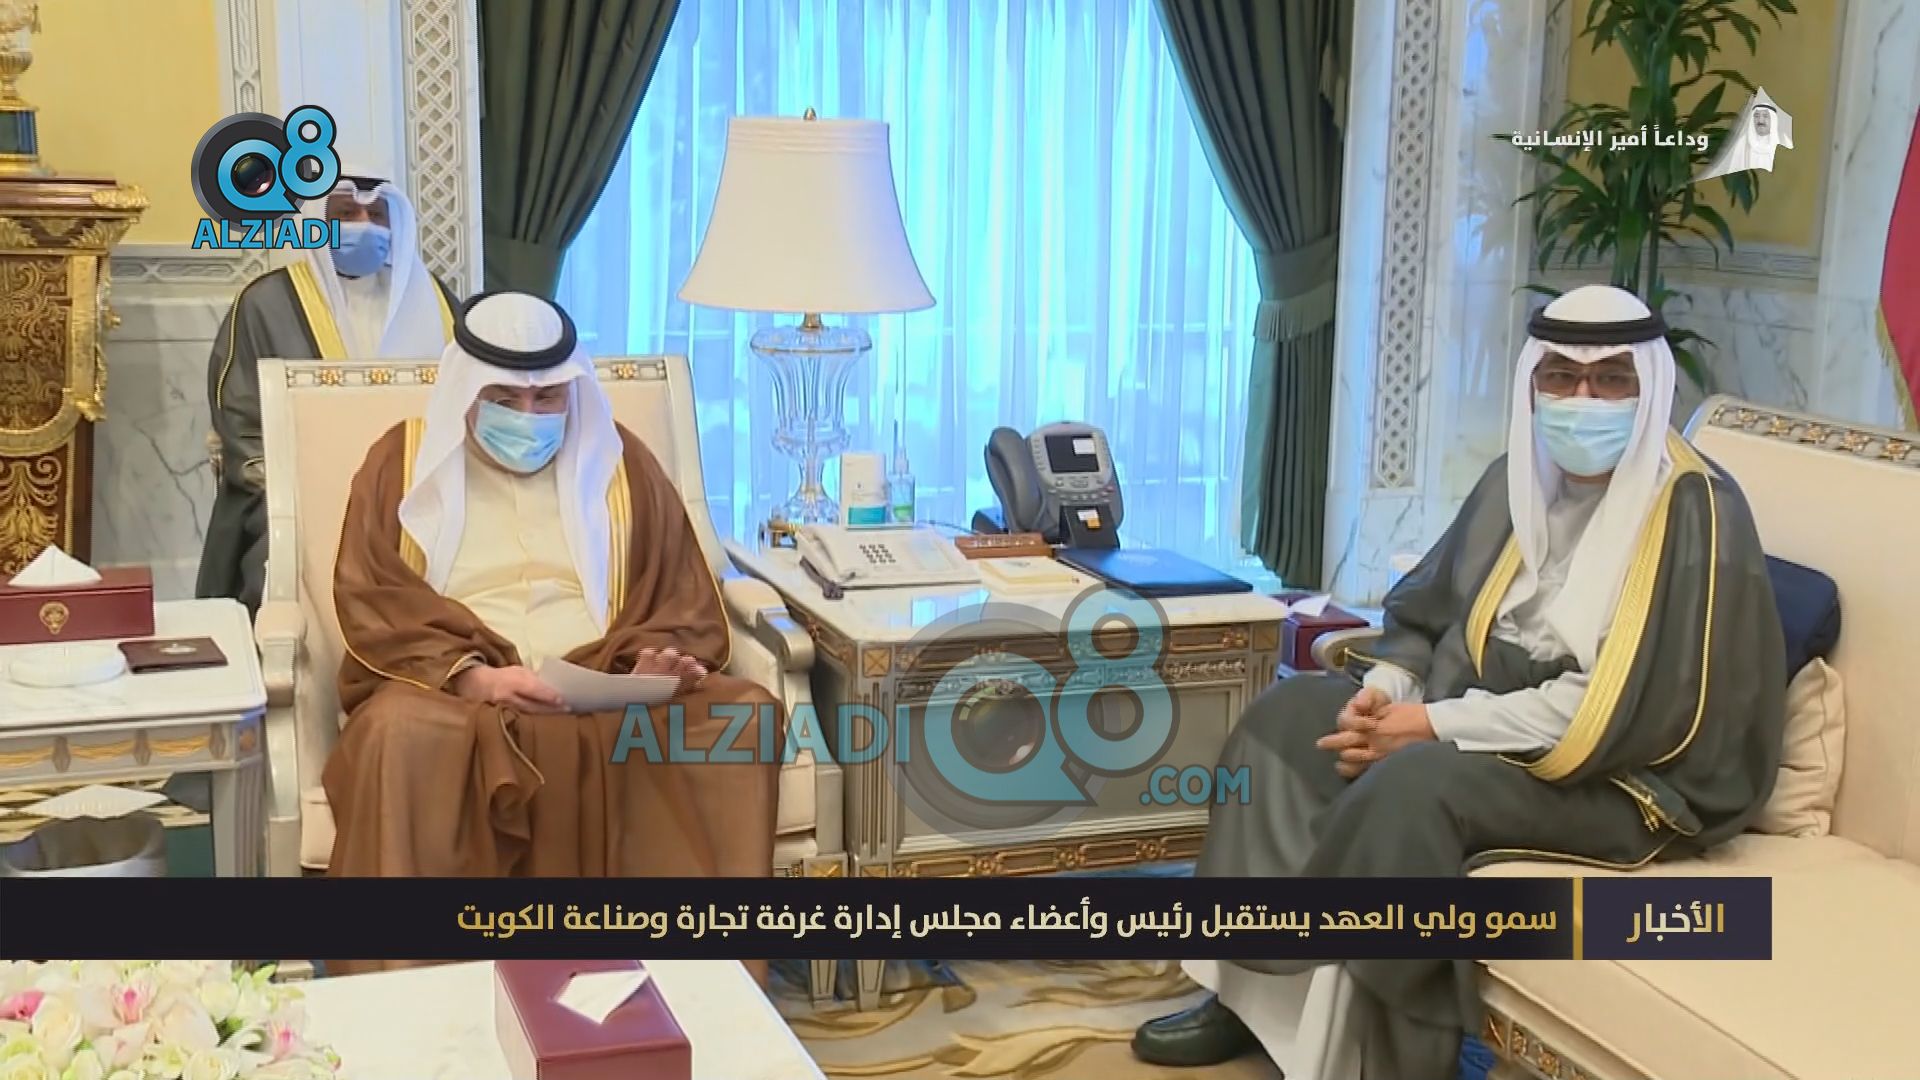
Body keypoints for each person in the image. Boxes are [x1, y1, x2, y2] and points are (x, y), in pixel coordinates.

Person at [1131, 284, 1786, 1079]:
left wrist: (1429, 729)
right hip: (1482, 711)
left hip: (1620, 770)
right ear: (1532, 384)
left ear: (1649, 388)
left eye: (1611, 379)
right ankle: (1242, 994)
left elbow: (1618, 705)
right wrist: (1386, 698)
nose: (1583, 400)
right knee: (1289, 716)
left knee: (1414, 789)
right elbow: (1430, 614)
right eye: (1562, 376)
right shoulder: (1518, 478)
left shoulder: (1696, 511)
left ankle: (1394, 1058)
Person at [323, 292, 783, 973]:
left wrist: (649, 666)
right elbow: (373, 595)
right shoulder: (402, 460)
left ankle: (699, 990)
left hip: (601, 683)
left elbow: (677, 588)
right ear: (466, 391)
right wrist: (474, 678)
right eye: (505, 399)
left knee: (744, 717)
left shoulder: (621, 464)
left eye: (548, 399)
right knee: (397, 735)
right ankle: (425, 1000)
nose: (530, 416)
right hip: (456, 693)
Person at [197, 173, 458, 612]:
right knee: (284, 556)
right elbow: (244, 427)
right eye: (345, 214)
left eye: (376, 214)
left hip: (421, 491)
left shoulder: (435, 300)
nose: (363, 225)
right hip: (303, 496)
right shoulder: (266, 303)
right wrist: (313, 492)